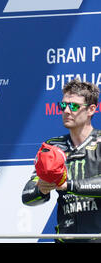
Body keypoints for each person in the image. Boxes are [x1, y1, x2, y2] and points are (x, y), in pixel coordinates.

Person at [22, 78, 101, 243]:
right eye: (63, 105)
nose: (66, 110)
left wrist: (68, 185)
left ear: (91, 110)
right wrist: (41, 189)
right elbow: (27, 196)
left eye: (73, 106)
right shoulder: (52, 147)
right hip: (65, 239)